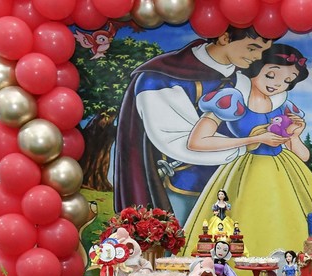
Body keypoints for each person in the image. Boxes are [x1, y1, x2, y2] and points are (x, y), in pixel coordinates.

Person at [113, 27, 275, 221]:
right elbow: (178, 140)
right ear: (224, 38)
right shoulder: (159, 79)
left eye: (263, 51)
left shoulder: (242, 79)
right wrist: (246, 144)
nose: (258, 57)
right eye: (252, 48)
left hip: (235, 184)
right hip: (183, 187)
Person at [179, 43, 312, 259]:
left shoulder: (284, 106)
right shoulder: (232, 99)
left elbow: (303, 157)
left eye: (287, 81)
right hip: (245, 173)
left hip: (285, 172)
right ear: (256, 68)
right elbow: (197, 141)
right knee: (244, 222)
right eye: (271, 75)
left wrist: (295, 135)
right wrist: (255, 139)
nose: (278, 84)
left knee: (288, 221)